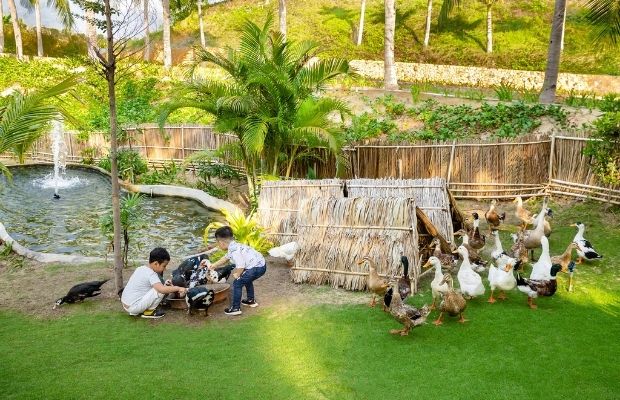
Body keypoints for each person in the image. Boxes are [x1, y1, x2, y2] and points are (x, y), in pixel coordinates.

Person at [201, 226, 266, 316]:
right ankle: (250, 300)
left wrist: (238, 274)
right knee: (247, 280)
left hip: (256, 267)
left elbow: (241, 265)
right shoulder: (234, 246)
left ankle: (235, 308)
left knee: (237, 283)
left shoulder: (235, 251)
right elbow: (225, 258)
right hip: (260, 264)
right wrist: (214, 265)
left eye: (217, 242)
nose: (218, 245)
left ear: (221, 242)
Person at [121, 247, 187, 319]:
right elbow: (161, 290)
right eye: (164, 266)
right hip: (134, 307)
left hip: (126, 304)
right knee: (160, 291)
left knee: (160, 288)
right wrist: (178, 288)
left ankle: (141, 310)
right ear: (156, 263)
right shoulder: (151, 274)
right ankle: (149, 312)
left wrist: (165, 285)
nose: (165, 269)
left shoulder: (141, 268)